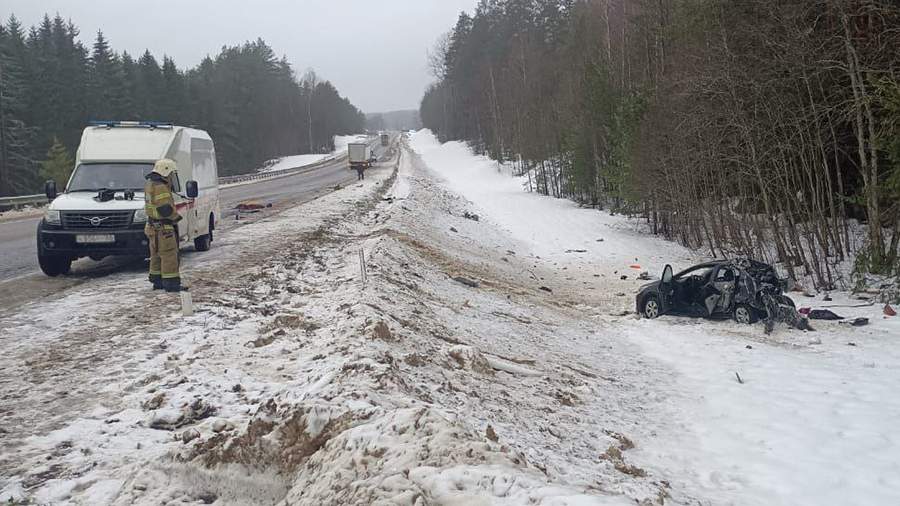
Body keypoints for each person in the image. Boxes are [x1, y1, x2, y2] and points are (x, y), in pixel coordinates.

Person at [144, 159, 183, 292]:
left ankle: (157, 280)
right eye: (171, 173)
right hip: (163, 228)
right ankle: (171, 283)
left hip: (152, 226)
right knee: (169, 255)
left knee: (156, 255)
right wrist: (176, 217)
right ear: (166, 171)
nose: (172, 176)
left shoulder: (150, 183)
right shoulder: (161, 186)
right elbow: (165, 209)